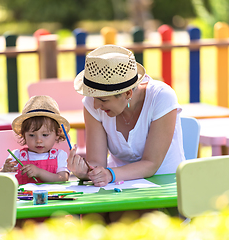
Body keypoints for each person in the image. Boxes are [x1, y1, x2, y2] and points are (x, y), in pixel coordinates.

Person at [67, 44, 185, 187]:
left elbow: (151, 164)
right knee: (92, 210)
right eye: (94, 98)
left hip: (166, 185)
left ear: (128, 93)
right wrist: (84, 172)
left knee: (128, 211)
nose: (96, 106)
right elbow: (97, 164)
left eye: (103, 100)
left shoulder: (161, 97)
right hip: (117, 185)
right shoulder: (92, 103)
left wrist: (110, 174)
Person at [0, 95, 71, 185]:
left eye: (45, 135)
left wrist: (39, 172)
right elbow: (0, 180)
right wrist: (4, 171)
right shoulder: (16, 156)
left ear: (57, 133)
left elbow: (63, 179)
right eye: (32, 135)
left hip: (52, 198)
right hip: (22, 199)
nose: (38, 140)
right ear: (23, 134)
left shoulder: (59, 156)